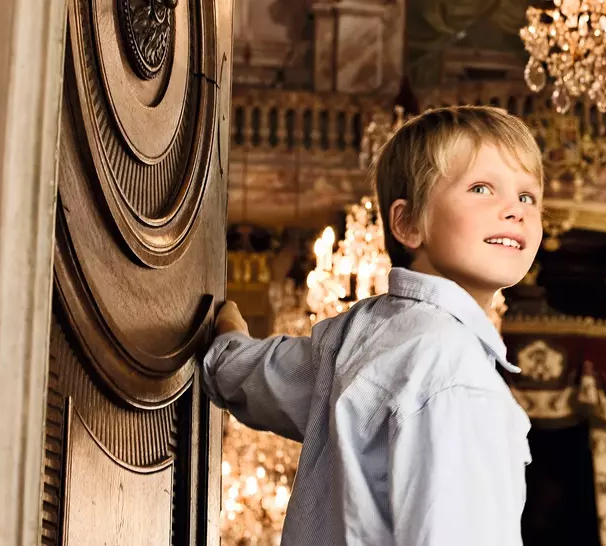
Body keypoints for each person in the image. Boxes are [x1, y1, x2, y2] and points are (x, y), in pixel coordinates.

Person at [203, 105, 543, 545]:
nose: (514, 211)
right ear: (407, 223)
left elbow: (255, 375)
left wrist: (227, 337)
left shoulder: (355, 338)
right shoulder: (455, 374)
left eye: (527, 196)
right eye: (481, 188)